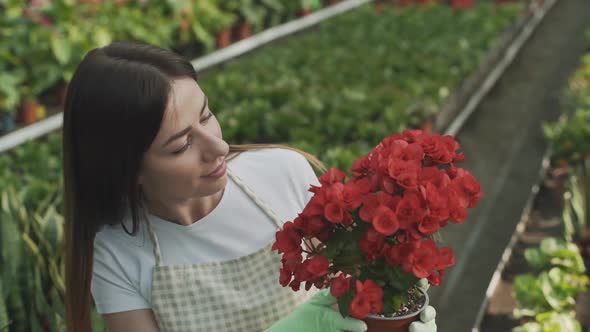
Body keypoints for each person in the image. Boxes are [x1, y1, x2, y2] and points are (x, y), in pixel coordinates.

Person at [62, 41, 437, 332]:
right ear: (128, 171)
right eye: (181, 145)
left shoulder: (283, 173)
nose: (218, 147)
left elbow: (354, 290)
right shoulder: (117, 254)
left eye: (206, 115)